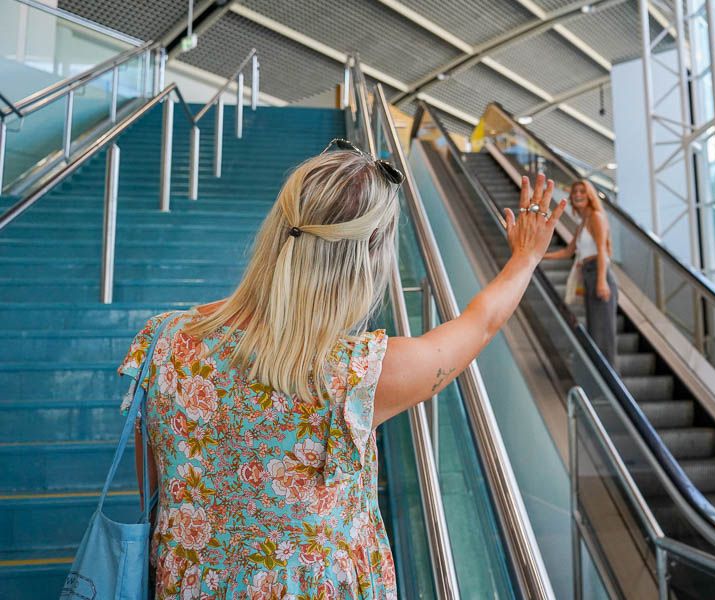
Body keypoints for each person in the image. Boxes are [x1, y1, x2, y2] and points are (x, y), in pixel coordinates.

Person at [118, 139, 565, 599]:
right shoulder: (356, 375)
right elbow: (481, 323)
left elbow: (153, 488)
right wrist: (525, 257)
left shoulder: (162, 339)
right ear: (369, 256)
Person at [542, 179, 617, 367]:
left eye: (582, 191)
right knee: (595, 331)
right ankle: (602, 381)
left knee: (603, 336)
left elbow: (602, 250)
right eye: (575, 191)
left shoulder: (596, 217)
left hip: (599, 274)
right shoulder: (583, 223)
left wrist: (601, 281)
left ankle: (610, 384)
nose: (578, 195)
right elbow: (568, 252)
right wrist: (539, 256)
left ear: (590, 195)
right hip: (589, 275)